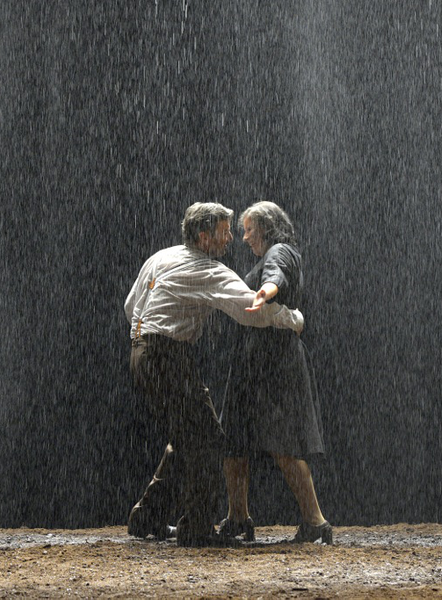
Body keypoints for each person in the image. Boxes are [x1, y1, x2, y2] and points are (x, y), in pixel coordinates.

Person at [125, 202, 305, 547]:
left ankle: (147, 516)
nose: (230, 240)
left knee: (187, 435)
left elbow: (131, 305)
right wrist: (294, 319)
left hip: (142, 351)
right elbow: (250, 310)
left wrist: (148, 339)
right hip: (167, 356)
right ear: (204, 236)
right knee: (207, 440)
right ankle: (197, 529)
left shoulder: (160, 258)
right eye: (223, 232)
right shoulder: (208, 270)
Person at [219, 201, 332, 544]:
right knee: (233, 442)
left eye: (249, 229)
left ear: (267, 227)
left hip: (275, 361)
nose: (244, 237)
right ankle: (238, 518)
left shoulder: (281, 251)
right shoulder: (267, 255)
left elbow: (276, 278)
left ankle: (316, 523)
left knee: (283, 443)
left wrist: (266, 292)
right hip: (253, 360)